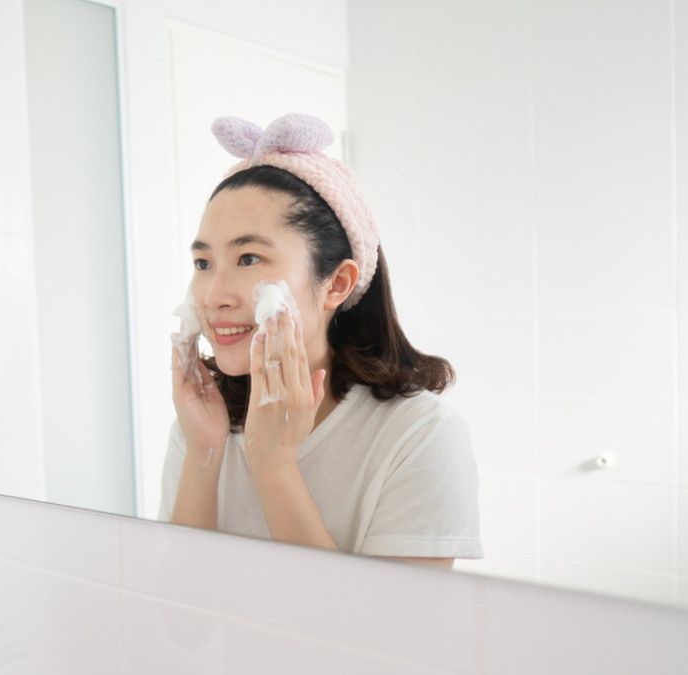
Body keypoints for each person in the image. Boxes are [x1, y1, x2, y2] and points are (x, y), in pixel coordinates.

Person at [161, 113, 482, 567]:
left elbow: (386, 619)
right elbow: (176, 610)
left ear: (337, 284)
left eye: (248, 258)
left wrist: (274, 466)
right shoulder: (202, 426)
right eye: (203, 263)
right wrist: (203, 453)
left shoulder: (418, 435)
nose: (214, 297)